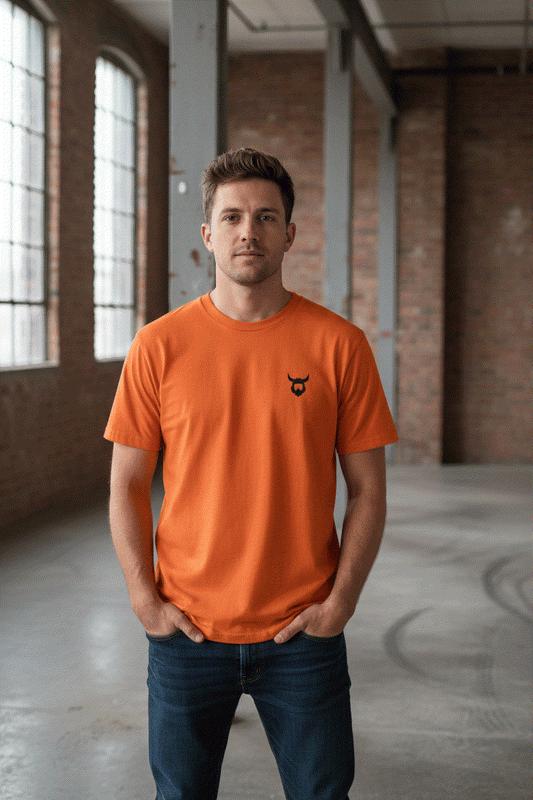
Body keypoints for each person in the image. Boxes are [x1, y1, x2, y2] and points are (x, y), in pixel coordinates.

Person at [105, 147, 398, 800]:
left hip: (302, 633)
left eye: (266, 217)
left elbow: (369, 490)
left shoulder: (338, 345)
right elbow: (126, 484)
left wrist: (340, 601)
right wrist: (142, 597)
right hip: (187, 630)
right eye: (232, 216)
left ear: (289, 234)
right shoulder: (158, 346)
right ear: (208, 233)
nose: (249, 231)